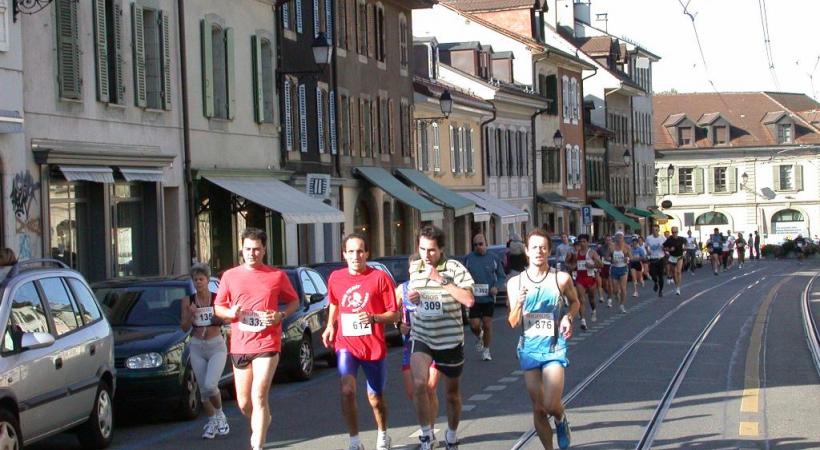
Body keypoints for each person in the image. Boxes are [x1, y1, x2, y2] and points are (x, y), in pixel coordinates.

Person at [214, 228, 300, 450]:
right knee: (244, 403)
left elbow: (294, 302)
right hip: (241, 343)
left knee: (260, 393)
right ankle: (263, 419)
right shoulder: (229, 276)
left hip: (268, 341)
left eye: (256, 249)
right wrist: (230, 313)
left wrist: (280, 315)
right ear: (241, 249)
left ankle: (257, 445)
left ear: (264, 250)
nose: (252, 253)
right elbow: (218, 307)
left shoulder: (276, 275)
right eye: (248, 249)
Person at [321, 233, 400, 450]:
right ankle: (354, 441)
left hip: (373, 347)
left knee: (376, 398)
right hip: (346, 344)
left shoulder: (379, 278)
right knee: (347, 390)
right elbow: (335, 303)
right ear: (344, 254)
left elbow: (394, 314)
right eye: (351, 252)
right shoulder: (336, 277)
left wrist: (374, 318)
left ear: (367, 253)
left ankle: (383, 434)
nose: (356, 256)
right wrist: (330, 325)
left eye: (360, 251)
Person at [507, 229, 580, 450]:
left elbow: (575, 302)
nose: (539, 251)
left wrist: (568, 316)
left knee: (550, 404)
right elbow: (512, 322)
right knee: (538, 408)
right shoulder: (515, 283)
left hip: (554, 347)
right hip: (529, 348)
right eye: (534, 247)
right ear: (527, 252)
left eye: (543, 247)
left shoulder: (561, 278)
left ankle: (560, 418)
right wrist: (519, 303)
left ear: (548, 251)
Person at [407, 225, 475, 450]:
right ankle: (426, 435)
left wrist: (441, 280)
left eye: (431, 250)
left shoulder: (455, 268)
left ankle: (452, 435)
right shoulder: (414, 267)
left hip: (449, 339)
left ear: (442, 249)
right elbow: (414, 299)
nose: (426, 255)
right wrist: (413, 298)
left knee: (452, 395)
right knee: (419, 384)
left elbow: (468, 300)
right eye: (422, 249)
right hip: (422, 334)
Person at [180, 263, 229, 439]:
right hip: (196, 346)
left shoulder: (217, 299)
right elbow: (184, 327)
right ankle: (212, 421)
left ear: (208, 280)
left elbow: (226, 319)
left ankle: (220, 414)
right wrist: (191, 315)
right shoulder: (188, 301)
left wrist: (217, 317)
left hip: (216, 345)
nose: (198, 282)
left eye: (201, 279)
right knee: (202, 390)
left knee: (210, 385)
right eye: (195, 280)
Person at [395, 265, 441, 445]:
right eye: (413, 271)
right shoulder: (402, 289)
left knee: (429, 388)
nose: (417, 275)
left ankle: (428, 432)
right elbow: (392, 311)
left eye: (420, 271)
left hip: (434, 345)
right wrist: (399, 325)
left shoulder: (434, 289)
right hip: (411, 345)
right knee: (413, 392)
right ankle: (426, 428)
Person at [464, 233, 507, 361]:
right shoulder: (468, 259)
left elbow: (501, 276)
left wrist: (496, 287)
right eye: (475, 245)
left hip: (488, 297)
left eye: (481, 244)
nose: (478, 247)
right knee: (474, 325)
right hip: (474, 298)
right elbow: (462, 276)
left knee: (487, 324)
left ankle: (486, 350)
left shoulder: (493, 258)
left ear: (486, 244)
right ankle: (480, 336)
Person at [572, 235, 602, 329]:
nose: (582, 243)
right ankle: (583, 321)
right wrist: (571, 267)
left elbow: (600, 264)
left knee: (591, 299)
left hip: (590, 278)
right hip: (580, 279)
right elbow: (572, 265)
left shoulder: (592, 253)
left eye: (584, 241)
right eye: (580, 241)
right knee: (581, 299)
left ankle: (593, 310)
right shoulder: (576, 253)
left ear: (587, 242)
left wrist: (592, 266)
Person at [610, 232, 631, 311]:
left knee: (623, 288)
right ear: (615, 238)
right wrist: (611, 260)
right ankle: (616, 295)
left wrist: (627, 259)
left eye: (621, 237)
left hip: (623, 268)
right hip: (614, 268)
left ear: (623, 238)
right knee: (615, 290)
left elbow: (630, 257)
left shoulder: (626, 247)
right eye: (617, 237)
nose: (619, 239)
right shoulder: (612, 247)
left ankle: (622, 304)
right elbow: (607, 257)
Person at [663, 227, 687, 296]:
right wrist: (670, 249)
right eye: (673, 232)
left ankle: (678, 288)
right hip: (672, 257)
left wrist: (685, 247)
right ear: (671, 232)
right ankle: (676, 285)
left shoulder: (681, 239)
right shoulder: (669, 239)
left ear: (677, 232)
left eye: (675, 232)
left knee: (678, 271)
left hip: (679, 257)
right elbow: (663, 247)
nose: (674, 234)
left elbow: (686, 243)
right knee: (674, 273)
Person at [646, 226, 666, 297]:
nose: (655, 231)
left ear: (658, 230)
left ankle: (660, 291)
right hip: (653, 258)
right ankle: (655, 282)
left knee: (661, 276)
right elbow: (646, 246)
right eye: (653, 230)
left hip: (661, 258)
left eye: (656, 230)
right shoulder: (649, 238)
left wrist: (664, 248)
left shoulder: (662, 238)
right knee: (652, 273)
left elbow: (666, 247)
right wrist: (648, 251)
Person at [597, 236, 614, 305]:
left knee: (610, 284)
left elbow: (616, 259)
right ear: (605, 241)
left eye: (609, 240)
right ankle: (609, 295)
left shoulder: (613, 248)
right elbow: (596, 256)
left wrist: (610, 259)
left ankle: (609, 299)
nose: (608, 241)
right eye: (607, 240)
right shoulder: (600, 248)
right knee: (604, 284)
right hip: (603, 266)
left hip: (611, 266)